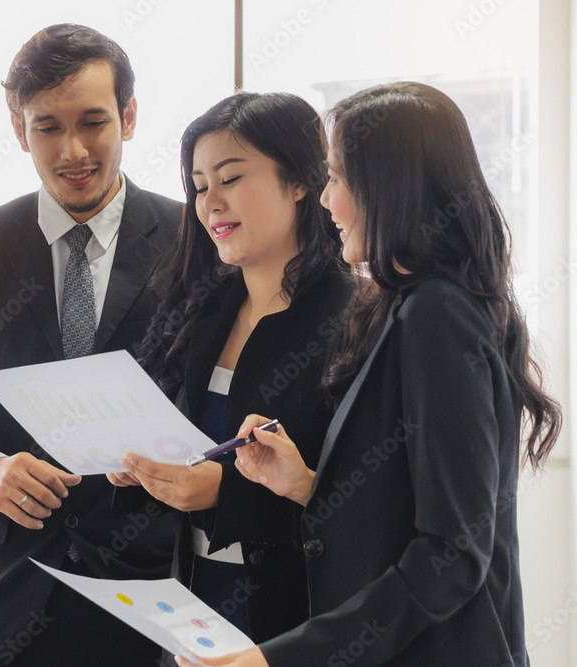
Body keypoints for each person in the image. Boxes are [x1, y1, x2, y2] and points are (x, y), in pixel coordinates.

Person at [181, 82, 562, 667]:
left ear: (390, 186)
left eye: (336, 179)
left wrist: (278, 658)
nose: (327, 202)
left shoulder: (437, 314)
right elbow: (408, 512)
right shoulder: (408, 306)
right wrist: (305, 484)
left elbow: (452, 554)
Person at [0, 24, 182, 667]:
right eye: (47, 126)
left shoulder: (195, 243)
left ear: (129, 117)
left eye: (93, 122)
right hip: (1, 592)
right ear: (20, 130)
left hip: (149, 594)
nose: (72, 149)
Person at [107, 91, 351, 652]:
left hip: (302, 616)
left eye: (231, 178)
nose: (209, 202)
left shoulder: (354, 318)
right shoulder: (202, 311)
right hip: (197, 600)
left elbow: (364, 499)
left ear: (299, 182)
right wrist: (141, 469)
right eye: (198, 186)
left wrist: (226, 494)